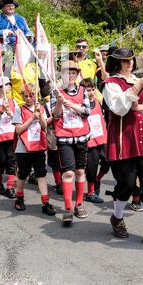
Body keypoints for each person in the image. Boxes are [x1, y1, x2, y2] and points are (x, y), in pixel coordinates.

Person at [102, 48, 143, 250]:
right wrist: (138, 87)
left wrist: (141, 105)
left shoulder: (142, 81)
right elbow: (118, 108)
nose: (128, 63)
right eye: (124, 61)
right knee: (126, 184)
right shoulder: (110, 84)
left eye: (130, 60)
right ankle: (117, 218)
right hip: (124, 140)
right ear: (117, 63)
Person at [51, 61, 90, 225]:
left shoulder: (83, 91)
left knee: (80, 172)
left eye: (73, 73)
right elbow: (55, 115)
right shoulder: (56, 92)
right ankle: (67, 208)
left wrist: (73, 105)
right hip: (64, 137)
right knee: (68, 173)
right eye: (67, 73)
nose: (71, 76)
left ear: (77, 75)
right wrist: (60, 102)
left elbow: (87, 111)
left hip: (81, 137)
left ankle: (79, 204)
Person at [12, 84, 56, 216]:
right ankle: (19, 197)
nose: (29, 98)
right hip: (23, 148)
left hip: (38, 147)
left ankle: (45, 202)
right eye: (26, 96)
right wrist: (32, 118)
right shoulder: (19, 110)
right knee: (23, 173)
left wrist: (40, 114)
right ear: (22, 96)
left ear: (36, 95)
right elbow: (18, 130)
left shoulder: (40, 108)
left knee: (41, 174)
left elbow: (44, 126)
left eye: (31, 95)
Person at [80, 78, 109, 203]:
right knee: (91, 167)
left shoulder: (98, 101)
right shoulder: (80, 106)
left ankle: (98, 179)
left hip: (102, 138)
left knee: (108, 161)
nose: (91, 92)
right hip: (90, 142)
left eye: (92, 89)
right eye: (88, 90)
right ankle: (90, 192)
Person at [0, 77, 17, 198]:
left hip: (11, 135)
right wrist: (1, 112)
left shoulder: (13, 101)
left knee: (11, 161)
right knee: (0, 161)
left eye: (9, 84)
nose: (9, 87)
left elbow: (15, 118)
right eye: (6, 85)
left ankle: (10, 187)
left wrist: (9, 112)